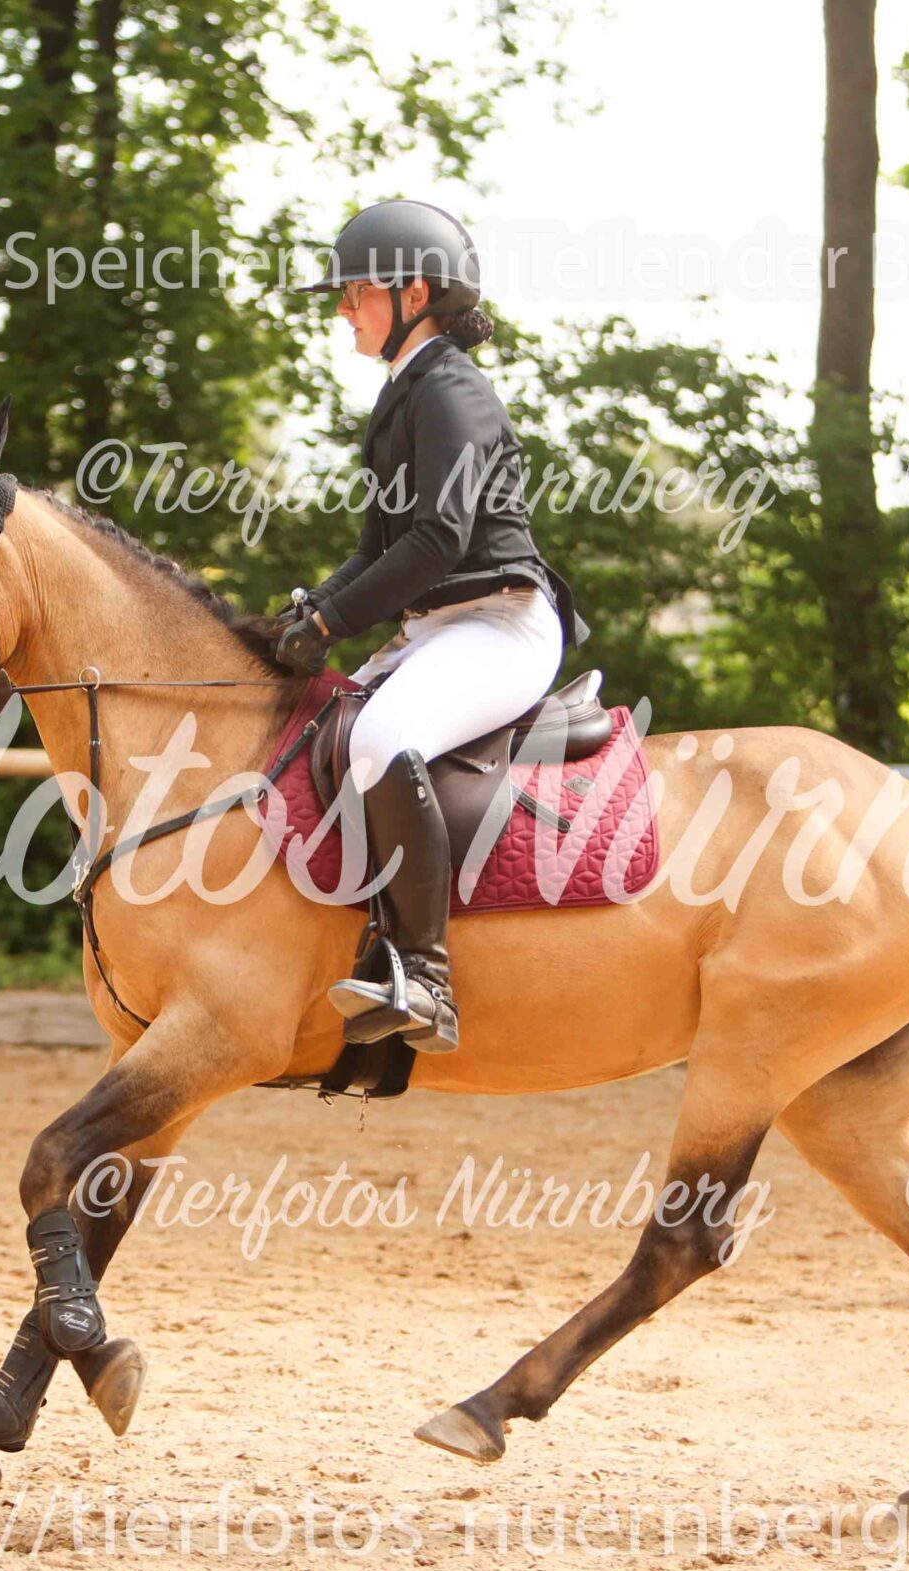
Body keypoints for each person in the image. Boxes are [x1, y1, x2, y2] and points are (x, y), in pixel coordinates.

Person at [267, 199, 585, 1054]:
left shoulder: (451, 390)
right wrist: (306, 615)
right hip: (438, 629)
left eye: (356, 293)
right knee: (312, 731)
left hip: (500, 625)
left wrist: (334, 618)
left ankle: (428, 978)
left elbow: (440, 538)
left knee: (381, 741)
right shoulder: (402, 394)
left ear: (413, 293)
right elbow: (377, 549)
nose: (343, 309)